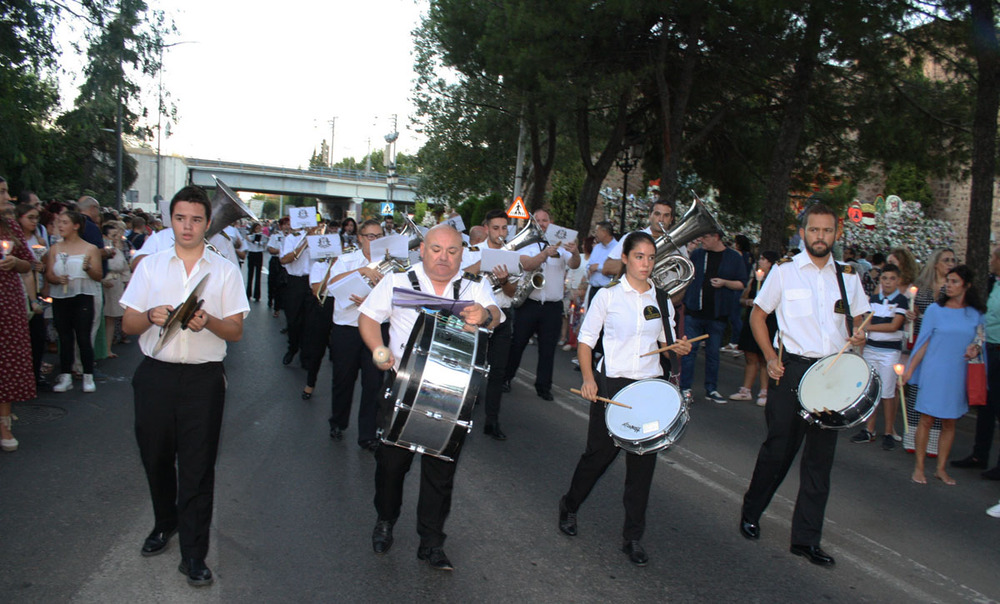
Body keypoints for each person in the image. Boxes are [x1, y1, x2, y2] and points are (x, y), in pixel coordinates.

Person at [120, 185, 249, 587]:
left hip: (202, 379)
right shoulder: (151, 265)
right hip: (155, 375)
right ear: (169, 220)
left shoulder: (225, 269)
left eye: (196, 219)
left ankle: (194, 553)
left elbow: (237, 331)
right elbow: (127, 325)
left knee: (197, 467)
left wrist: (207, 320)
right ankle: (165, 523)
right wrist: (151, 315)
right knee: (156, 457)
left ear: (207, 223)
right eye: (180, 218)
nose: (188, 226)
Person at [359, 224, 502, 571]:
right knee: (392, 467)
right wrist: (378, 349)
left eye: (453, 252)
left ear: (462, 255)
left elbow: (496, 315)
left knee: (440, 472)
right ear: (422, 249)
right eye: (437, 249)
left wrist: (484, 315)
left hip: (450, 396)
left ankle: (431, 541)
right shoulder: (397, 282)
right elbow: (367, 317)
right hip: (401, 387)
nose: (444, 257)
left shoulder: (474, 286)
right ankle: (386, 520)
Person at [740, 203, 869, 567]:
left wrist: (860, 333)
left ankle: (806, 539)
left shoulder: (848, 276)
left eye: (827, 231)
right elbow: (758, 315)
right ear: (803, 232)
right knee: (778, 450)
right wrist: (768, 356)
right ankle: (752, 510)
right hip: (792, 371)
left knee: (819, 461)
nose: (820, 237)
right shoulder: (784, 272)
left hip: (833, 376)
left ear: (837, 234)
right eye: (814, 230)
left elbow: (861, 318)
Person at [558, 232, 691, 566]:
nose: (645, 264)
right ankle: (570, 506)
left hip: (649, 388)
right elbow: (587, 341)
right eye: (639, 257)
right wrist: (589, 380)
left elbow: (667, 341)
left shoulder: (661, 299)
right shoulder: (608, 295)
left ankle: (632, 537)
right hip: (612, 385)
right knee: (598, 457)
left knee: (642, 466)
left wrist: (679, 347)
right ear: (626, 259)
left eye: (650, 257)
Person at [902, 264, 984, 486]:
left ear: (966, 286)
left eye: (954, 281)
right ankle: (919, 468)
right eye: (948, 280)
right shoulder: (935, 311)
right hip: (934, 371)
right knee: (926, 419)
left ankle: (941, 468)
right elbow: (923, 343)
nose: (948, 285)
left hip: (958, 372)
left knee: (950, 422)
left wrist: (975, 348)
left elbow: (979, 341)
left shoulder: (975, 314)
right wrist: (909, 370)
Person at [503, 208, 581, 400]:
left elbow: (574, 265)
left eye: (545, 220)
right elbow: (528, 265)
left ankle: (543, 386)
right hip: (530, 303)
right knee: (518, 343)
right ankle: (506, 378)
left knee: (547, 349)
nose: (541, 223)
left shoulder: (562, 247)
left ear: (551, 222)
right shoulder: (526, 246)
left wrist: (576, 252)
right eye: (537, 220)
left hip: (552, 306)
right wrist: (545, 253)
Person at [324, 219, 388, 446]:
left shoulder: (391, 264)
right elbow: (331, 285)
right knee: (344, 379)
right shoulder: (346, 259)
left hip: (378, 329)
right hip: (347, 329)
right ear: (360, 238)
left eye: (380, 236)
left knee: (374, 383)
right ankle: (338, 422)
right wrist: (361, 271)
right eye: (371, 236)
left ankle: (367, 435)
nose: (375, 240)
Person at [462, 209, 518, 439]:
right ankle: (462, 413)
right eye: (496, 228)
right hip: (477, 316)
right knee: (471, 367)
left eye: (504, 228)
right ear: (486, 229)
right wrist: (482, 263)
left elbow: (512, 292)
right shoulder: (472, 251)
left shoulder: (511, 254)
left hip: (503, 316)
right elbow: (461, 278)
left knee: (498, 370)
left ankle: (492, 421)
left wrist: (504, 280)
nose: (500, 232)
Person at [679, 229, 747, 404]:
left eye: (706, 236)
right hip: (694, 311)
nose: (702, 240)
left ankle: (711, 389)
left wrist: (725, 283)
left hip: (717, 314)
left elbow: (741, 283)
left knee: (712, 354)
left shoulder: (733, 257)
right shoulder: (698, 254)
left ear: (717, 237)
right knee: (689, 351)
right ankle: (684, 388)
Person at [953, 246, 1000, 479]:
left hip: (999, 349)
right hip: (987, 348)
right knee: (986, 404)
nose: (991, 260)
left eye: (994, 257)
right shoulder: (994, 283)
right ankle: (979, 454)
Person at [850, 264, 908, 449]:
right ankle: (870, 428)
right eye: (884, 278)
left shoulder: (902, 301)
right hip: (871, 349)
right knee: (871, 389)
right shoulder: (874, 299)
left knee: (888, 392)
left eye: (892, 278)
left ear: (898, 280)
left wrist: (868, 327)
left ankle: (889, 431)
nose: (888, 282)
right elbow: (865, 318)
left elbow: (894, 326)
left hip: (889, 352)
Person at [903, 248, 954, 457]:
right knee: (916, 388)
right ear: (936, 263)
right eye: (946, 260)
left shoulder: (952, 289)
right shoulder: (922, 288)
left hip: (941, 344)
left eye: (953, 260)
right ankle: (913, 437)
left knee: (937, 391)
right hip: (921, 339)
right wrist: (911, 315)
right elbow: (913, 308)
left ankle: (933, 440)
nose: (950, 263)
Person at [45, 211, 103, 393]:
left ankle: (88, 375)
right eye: (59, 222)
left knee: (83, 336)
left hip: (83, 295)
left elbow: (98, 275)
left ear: (76, 226)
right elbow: (49, 274)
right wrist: (56, 279)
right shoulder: (55, 248)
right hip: (61, 297)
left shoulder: (90, 248)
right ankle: (65, 376)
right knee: (65, 337)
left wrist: (88, 269)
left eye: (65, 222)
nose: (60, 226)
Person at [0, 177, 36, 451]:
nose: (8, 196)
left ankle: (4, 421)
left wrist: (16, 262)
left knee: (7, 361)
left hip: (8, 301)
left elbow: (28, 264)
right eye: (2, 192)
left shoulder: (11, 225)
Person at [730, 251, 780, 406]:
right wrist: (749, 302)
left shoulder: (776, 280)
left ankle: (765, 391)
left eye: (764, 259)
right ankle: (746, 389)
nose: (760, 261)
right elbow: (743, 299)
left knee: (764, 358)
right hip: (753, 321)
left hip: (769, 323)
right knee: (750, 357)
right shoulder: (755, 281)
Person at [16, 203, 49, 390]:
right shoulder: (15, 240)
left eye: (36, 218)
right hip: (17, 290)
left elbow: (44, 264)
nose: (34, 221)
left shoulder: (39, 240)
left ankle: (35, 375)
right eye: (30, 217)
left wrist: (41, 269)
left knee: (37, 336)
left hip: (34, 288)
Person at [278, 222, 316, 366]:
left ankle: (305, 355)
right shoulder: (292, 238)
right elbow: (284, 259)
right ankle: (292, 348)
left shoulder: (320, 238)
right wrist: (306, 242)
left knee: (310, 322)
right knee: (293, 321)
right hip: (295, 282)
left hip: (313, 281)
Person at [101, 222, 131, 359]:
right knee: (103, 318)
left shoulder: (117, 250)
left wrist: (127, 284)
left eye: (116, 235)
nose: (116, 238)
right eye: (112, 235)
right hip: (104, 284)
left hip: (116, 285)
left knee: (111, 318)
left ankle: (107, 348)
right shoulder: (100, 250)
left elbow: (124, 268)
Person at [267, 217, 290, 315]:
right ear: (280, 226)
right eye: (285, 224)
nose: (287, 227)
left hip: (287, 261)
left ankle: (281, 305)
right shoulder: (275, 236)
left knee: (283, 285)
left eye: (288, 224)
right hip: (276, 260)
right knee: (274, 283)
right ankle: (271, 299)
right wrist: (280, 251)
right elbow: (270, 249)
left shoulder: (292, 236)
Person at [243, 222, 266, 302]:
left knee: (258, 275)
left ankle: (257, 295)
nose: (258, 230)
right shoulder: (249, 236)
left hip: (259, 254)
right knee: (250, 274)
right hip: (252, 254)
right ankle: (248, 294)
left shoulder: (262, 236)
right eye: (257, 228)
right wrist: (251, 240)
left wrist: (258, 241)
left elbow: (264, 244)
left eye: (260, 228)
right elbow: (246, 245)